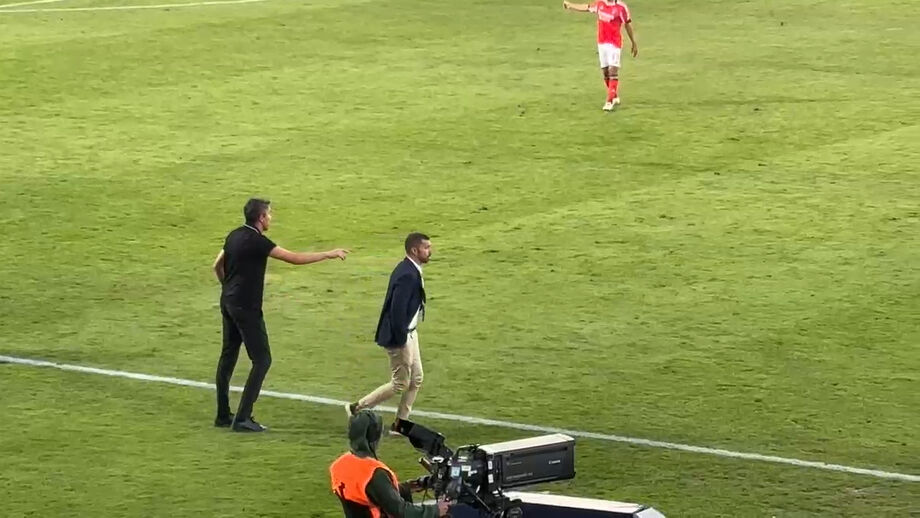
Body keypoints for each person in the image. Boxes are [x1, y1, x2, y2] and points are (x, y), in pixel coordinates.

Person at [212, 198, 349, 432]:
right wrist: (328, 254)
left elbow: (217, 265)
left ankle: (223, 415)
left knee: (228, 356)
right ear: (261, 218)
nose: (271, 218)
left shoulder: (234, 235)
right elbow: (294, 258)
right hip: (246, 307)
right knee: (262, 359)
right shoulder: (258, 242)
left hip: (228, 302)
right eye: (269, 214)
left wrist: (228, 287)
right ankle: (243, 418)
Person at [345, 233, 431, 431]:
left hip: (410, 332)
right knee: (400, 383)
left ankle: (401, 423)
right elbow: (397, 310)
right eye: (426, 247)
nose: (430, 251)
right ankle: (356, 408)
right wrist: (401, 340)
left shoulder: (410, 269)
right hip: (400, 336)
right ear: (414, 250)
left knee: (416, 379)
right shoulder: (407, 274)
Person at [330, 410, 450, 518]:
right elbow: (400, 511)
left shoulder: (339, 465)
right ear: (374, 437)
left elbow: (373, 492)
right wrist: (435, 510)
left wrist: (416, 484)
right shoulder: (374, 473)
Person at [563, 0, 638, 111]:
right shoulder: (600, 4)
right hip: (602, 43)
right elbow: (587, 7)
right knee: (605, 72)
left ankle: (609, 101)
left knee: (613, 71)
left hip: (614, 44)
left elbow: (627, 24)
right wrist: (570, 5)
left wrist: (633, 42)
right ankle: (614, 95)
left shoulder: (621, 7)